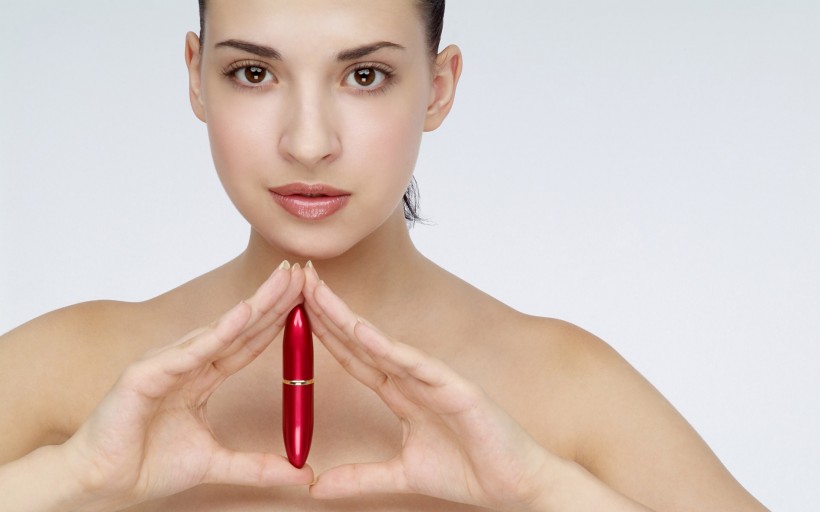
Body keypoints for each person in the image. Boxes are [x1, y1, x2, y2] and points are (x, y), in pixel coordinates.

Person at [0, 1, 771, 510]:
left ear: (437, 88)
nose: (308, 142)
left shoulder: (564, 385)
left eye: (364, 75)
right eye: (254, 73)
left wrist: (545, 490)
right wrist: (73, 477)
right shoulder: (70, 366)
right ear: (197, 78)